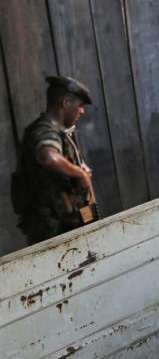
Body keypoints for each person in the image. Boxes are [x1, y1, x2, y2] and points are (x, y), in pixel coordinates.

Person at [11, 76, 97, 245]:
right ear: (65, 102)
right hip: (54, 231)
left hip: (66, 224)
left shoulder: (61, 132)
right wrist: (80, 174)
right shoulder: (45, 130)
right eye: (79, 105)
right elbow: (48, 157)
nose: (82, 111)